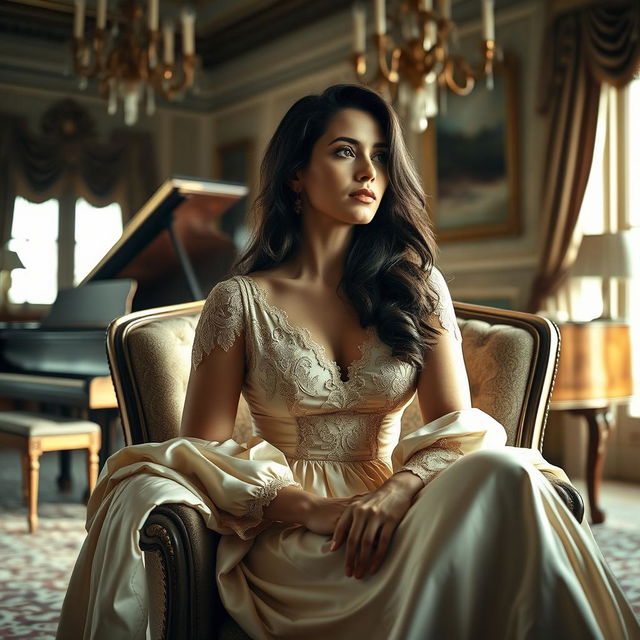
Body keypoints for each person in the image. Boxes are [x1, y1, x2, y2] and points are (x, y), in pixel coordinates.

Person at [57, 84, 639, 640]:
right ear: (295, 176)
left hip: (401, 510)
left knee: (509, 475)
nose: (369, 173)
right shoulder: (238, 301)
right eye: (344, 152)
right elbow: (203, 455)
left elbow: (455, 430)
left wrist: (395, 494)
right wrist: (311, 509)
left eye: (382, 158)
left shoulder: (417, 289)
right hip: (291, 534)